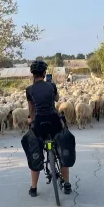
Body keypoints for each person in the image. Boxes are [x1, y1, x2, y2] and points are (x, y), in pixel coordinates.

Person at [26, 60, 72, 197]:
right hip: (54, 122)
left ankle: (33, 188)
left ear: (33, 75)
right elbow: (57, 99)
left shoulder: (29, 90)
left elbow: (31, 109)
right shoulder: (51, 86)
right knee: (63, 146)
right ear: (45, 73)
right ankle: (67, 183)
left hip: (39, 123)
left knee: (36, 149)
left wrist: (32, 120)